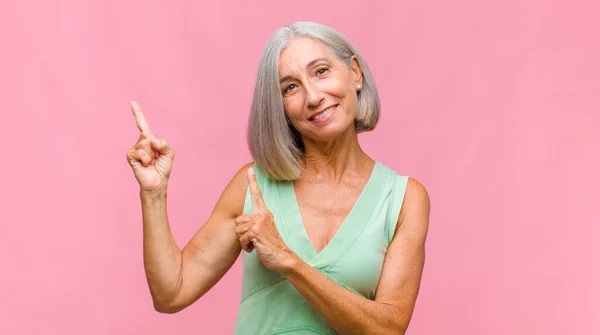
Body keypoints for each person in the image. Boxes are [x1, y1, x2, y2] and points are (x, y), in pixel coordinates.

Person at [126, 21, 430, 335]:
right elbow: (171, 292)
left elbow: (388, 329)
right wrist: (154, 191)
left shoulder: (404, 199)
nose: (313, 96)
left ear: (354, 73)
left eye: (321, 71)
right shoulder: (253, 185)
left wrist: (286, 259)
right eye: (291, 87)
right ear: (281, 108)